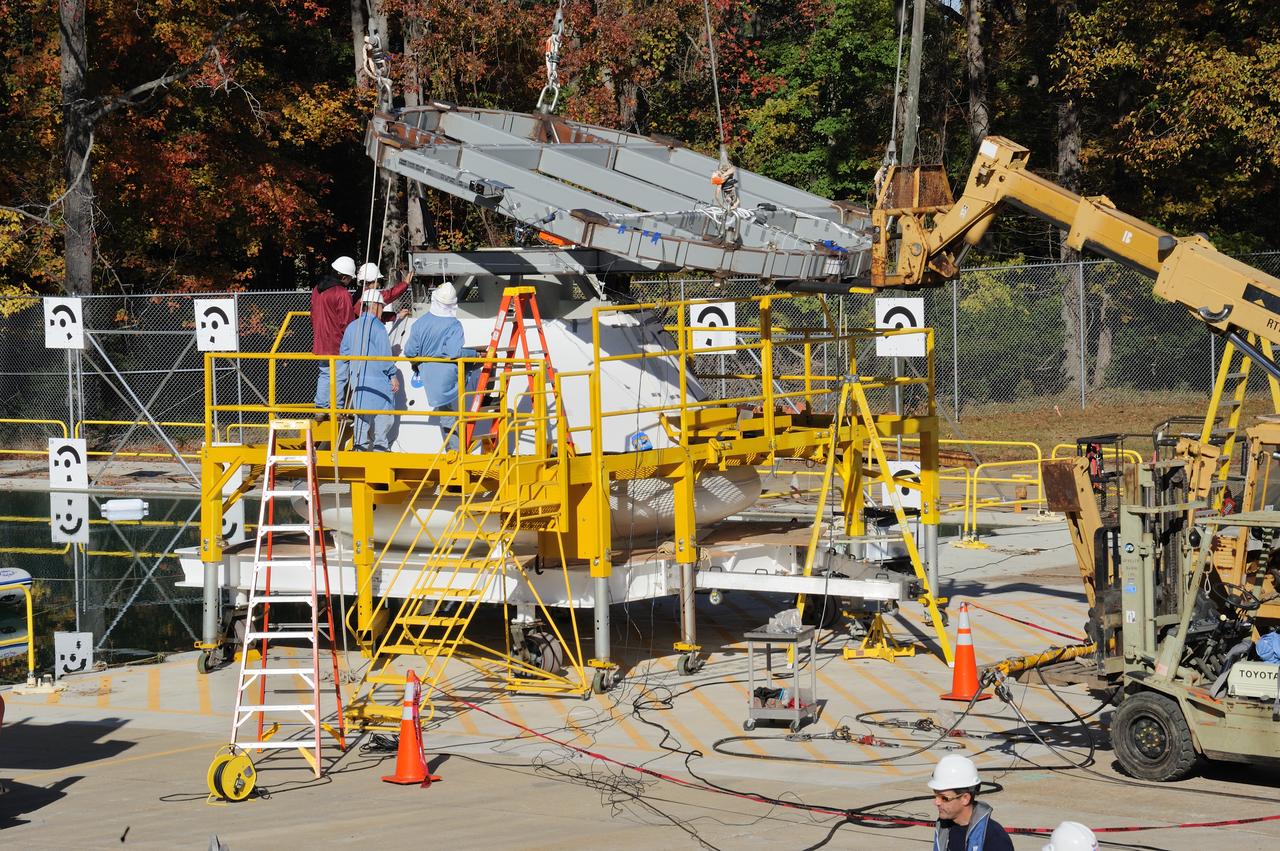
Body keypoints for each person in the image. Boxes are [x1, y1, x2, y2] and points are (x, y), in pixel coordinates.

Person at [403, 281, 465, 451]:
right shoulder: (454, 325)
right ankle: (455, 451)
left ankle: (454, 448)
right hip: (448, 376)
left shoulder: (420, 323)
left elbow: (409, 351)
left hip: (427, 375)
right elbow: (454, 352)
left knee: (447, 413)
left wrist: (421, 362)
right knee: (448, 414)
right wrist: (473, 355)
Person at [340, 289, 400, 451]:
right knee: (383, 415)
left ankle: (360, 447)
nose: (382, 310)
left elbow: (344, 354)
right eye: (381, 306)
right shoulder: (378, 327)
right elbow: (384, 355)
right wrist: (393, 376)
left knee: (361, 416)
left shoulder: (352, 327)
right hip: (379, 382)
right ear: (374, 306)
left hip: (358, 382)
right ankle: (381, 448)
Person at [928, 754, 1014, 851]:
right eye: (936, 795)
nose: (936, 802)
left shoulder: (994, 837)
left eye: (944, 798)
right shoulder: (944, 829)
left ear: (965, 798)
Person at [311, 255, 358, 416]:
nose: (350, 280)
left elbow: (314, 314)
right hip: (338, 343)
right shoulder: (342, 293)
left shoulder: (317, 289)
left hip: (321, 341)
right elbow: (347, 322)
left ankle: (321, 407)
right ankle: (336, 409)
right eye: (350, 278)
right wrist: (353, 342)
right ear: (344, 276)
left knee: (325, 373)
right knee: (340, 376)